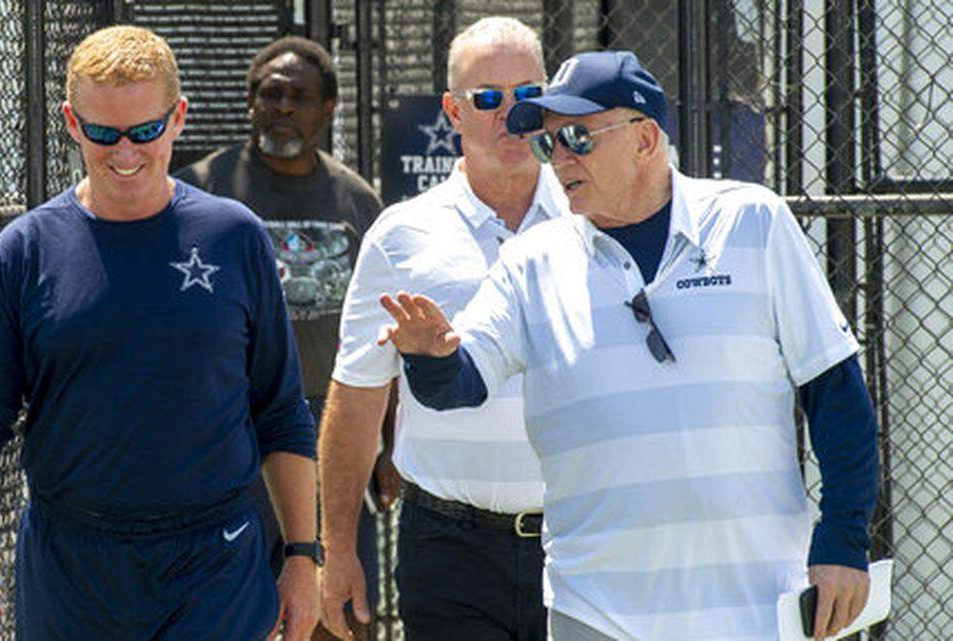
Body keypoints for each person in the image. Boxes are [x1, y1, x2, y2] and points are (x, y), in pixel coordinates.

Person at [376, 50, 880, 641]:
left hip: (754, 605)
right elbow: (461, 384)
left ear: (644, 140)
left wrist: (844, 539)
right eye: (549, 143)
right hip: (597, 613)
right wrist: (430, 357)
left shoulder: (753, 223)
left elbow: (836, 392)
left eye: (578, 138)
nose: (558, 159)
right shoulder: (530, 264)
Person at [0, 26, 321, 641]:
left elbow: (280, 411)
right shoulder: (23, 253)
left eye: (144, 131)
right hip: (72, 567)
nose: (125, 153)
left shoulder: (234, 237)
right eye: (101, 133)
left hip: (214, 561)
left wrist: (303, 556)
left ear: (178, 118)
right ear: (70, 122)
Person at [319, 17, 564, 641]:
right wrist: (338, 551)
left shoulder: (591, 219)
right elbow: (356, 395)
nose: (510, 114)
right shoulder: (402, 236)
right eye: (487, 99)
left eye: (527, 96)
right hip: (448, 552)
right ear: (453, 112)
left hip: (580, 542)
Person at [173, 35, 398, 641]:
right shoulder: (200, 190)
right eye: (270, 95)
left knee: (333, 607)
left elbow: (386, 328)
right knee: (233, 608)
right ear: (250, 103)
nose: (282, 108)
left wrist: (392, 440)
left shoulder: (356, 200)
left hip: (330, 430)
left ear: (328, 110)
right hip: (228, 433)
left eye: (299, 97)